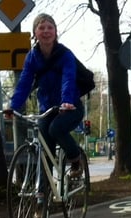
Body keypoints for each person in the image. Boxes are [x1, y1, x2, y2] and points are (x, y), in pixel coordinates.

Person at [5, 13, 85, 196]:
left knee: (56, 130)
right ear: (35, 33)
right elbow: (24, 83)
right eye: (41, 28)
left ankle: (75, 160)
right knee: (44, 149)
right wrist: (13, 106)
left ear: (55, 32)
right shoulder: (32, 57)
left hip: (70, 107)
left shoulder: (65, 54)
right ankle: (42, 197)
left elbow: (68, 78)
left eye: (50, 27)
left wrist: (66, 101)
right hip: (47, 109)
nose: (46, 31)